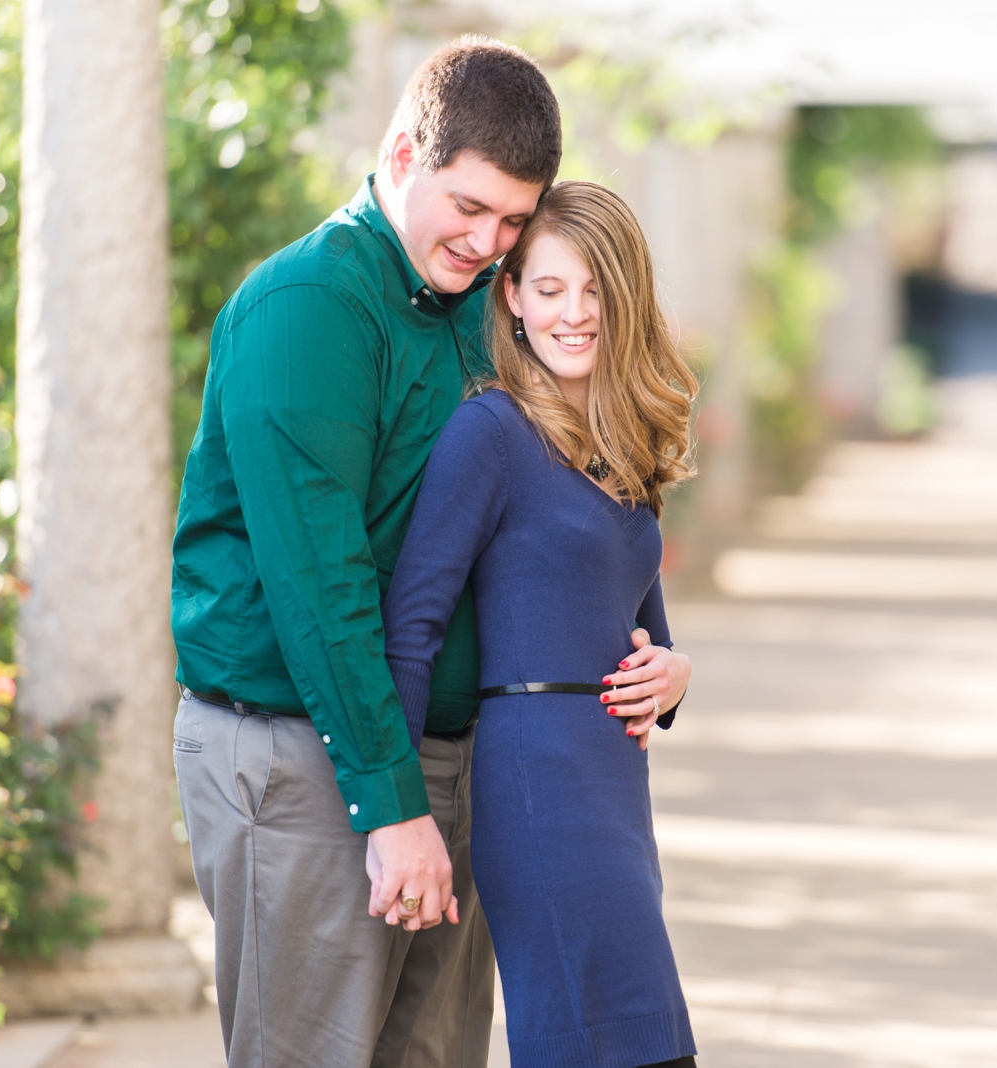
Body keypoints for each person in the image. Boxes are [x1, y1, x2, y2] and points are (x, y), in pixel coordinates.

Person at [170, 36, 560, 1067]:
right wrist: (388, 806)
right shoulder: (307, 309)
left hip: (442, 760)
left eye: (514, 220)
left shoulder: (486, 307)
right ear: (399, 153)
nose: (488, 242)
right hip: (305, 756)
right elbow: (319, 586)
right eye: (468, 208)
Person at [381, 180, 699, 1068]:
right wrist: (394, 816)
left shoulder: (626, 445)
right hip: (535, 783)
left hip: (615, 787)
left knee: (646, 1041)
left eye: (596, 290)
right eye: (551, 289)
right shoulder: (490, 433)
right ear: (512, 298)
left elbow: (645, 628)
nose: (575, 314)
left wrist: (675, 675)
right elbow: (413, 626)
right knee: (599, 1043)